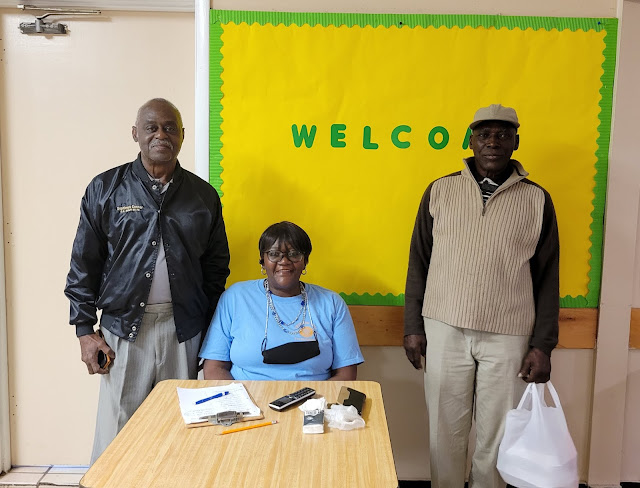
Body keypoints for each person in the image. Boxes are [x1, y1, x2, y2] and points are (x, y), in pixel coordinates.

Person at [65, 98, 230, 463]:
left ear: (182, 136)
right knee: (118, 430)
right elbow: (83, 263)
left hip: (183, 328)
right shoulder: (106, 188)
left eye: (170, 127)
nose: (161, 134)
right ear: (136, 133)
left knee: (182, 426)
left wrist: (210, 330)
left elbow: (216, 268)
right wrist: (83, 329)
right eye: (152, 127)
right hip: (123, 329)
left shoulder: (203, 196)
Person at [404, 104, 559, 488]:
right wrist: (413, 326)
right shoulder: (440, 190)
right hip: (443, 327)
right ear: (471, 140)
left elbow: (548, 276)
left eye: (503, 134)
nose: (493, 142)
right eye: (484, 134)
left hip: (508, 334)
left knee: (499, 434)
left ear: (516, 142)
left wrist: (543, 345)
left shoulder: (537, 199)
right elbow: (418, 261)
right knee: (445, 432)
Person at [200, 221, 364, 380]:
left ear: (305, 261)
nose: (284, 261)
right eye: (274, 254)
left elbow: (346, 374)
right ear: (263, 261)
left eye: (294, 254)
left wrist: (315, 404)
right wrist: (241, 402)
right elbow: (214, 367)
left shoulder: (332, 303)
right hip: (247, 403)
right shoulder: (235, 297)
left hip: (313, 403)